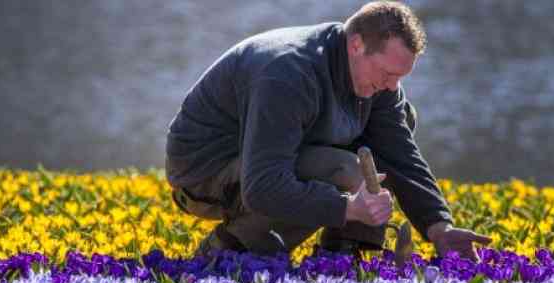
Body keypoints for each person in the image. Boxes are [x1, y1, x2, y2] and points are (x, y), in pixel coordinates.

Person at [164, 1, 491, 261]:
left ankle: (345, 251)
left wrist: (439, 228)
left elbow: (401, 156)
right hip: (205, 173)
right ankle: (230, 249)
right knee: (346, 170)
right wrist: (347, 207)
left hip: (270, 157)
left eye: (401, 77)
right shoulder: (288, 75)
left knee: (400, 119)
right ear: (357, 45)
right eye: (388, 73)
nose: (393, 85)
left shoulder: (374, 80)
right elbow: (262, 186)